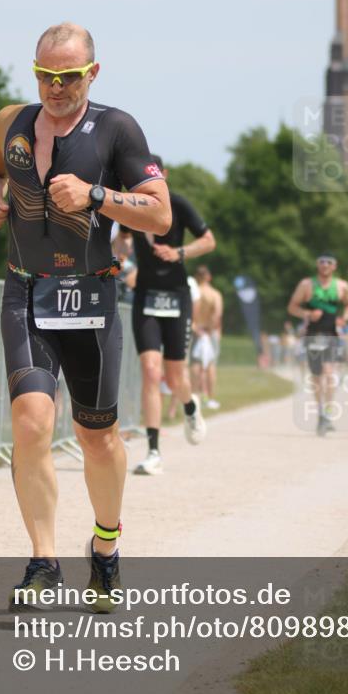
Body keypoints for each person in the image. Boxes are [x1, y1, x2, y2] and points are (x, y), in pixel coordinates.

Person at [0, 22, 171, 610]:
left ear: (92, 73)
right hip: (24, 293)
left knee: (97, 436)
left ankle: (105, 547)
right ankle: (43, 561)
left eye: (67, 76)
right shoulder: (11, 121)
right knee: (31, 424)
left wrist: (95, 196)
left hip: (90, 298)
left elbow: (158, 216)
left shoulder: (116, 127)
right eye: (43, 74)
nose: (53, 87)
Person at [124, 156, 215, 475]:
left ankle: (191, 407)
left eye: (154, 175)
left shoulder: (178, 204)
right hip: (145, 296)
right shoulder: (131, 204)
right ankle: (153, 451)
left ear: (163, 175)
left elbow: (208, 240)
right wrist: (119, 262)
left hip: (176, 296)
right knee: (151, 371)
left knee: (176, 377)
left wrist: (179, 253)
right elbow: (121, 239)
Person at [287, 253, 348, 436]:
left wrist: (345, 319)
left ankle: (328, 412)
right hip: (313, 336)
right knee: (317, 377)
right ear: (317, 265)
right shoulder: (306, 285)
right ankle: (320, 413)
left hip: (332, 334)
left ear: (334, 266)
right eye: (321, 262)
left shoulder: (342, 286)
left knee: (329, 372)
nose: (325, 265)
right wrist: (307, 314)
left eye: (329, 262)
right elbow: (292, 307)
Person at [190, 265, 223, 409]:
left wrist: (196, 328)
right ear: (208, 277)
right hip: (210, 332)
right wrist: (210, 329)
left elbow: (190, 313)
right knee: (210, 365)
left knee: (195, 364)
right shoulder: (215, 294)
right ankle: (210, 398)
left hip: (196, 330)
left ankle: (195, 396)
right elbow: (217, 313)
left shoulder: (195, 293)